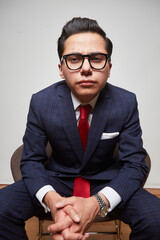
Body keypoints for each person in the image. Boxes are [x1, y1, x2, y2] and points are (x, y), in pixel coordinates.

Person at [0, 17, 160, 240]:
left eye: (96, 59)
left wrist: (98, 203)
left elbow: (135, 164)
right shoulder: (41, 101)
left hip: (106, 181)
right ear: (61, 68)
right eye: (74, 59)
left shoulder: (125, 102)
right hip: (56, 179)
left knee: (156, 217)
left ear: (109, 67)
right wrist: (53, 201)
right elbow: (31, 161)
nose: (86, 68)